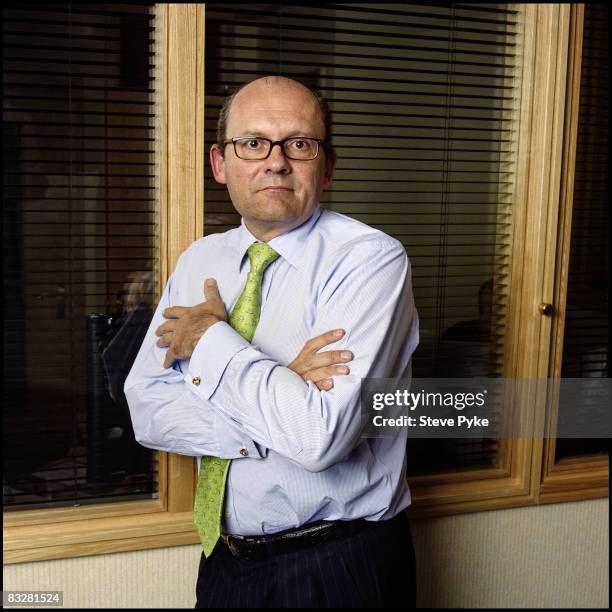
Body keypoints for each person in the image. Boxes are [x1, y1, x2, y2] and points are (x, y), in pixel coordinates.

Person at [125, 75, 420, 608]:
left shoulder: (371, 261)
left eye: (299, 144)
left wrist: (209, 341)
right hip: (224, 560)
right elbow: (146, 408)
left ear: (327, 165)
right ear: (221, 163)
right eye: (252, 142)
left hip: (340, 564)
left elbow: (318, 439)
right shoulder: (200, 260)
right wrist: (279, 393)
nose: (276, 162)